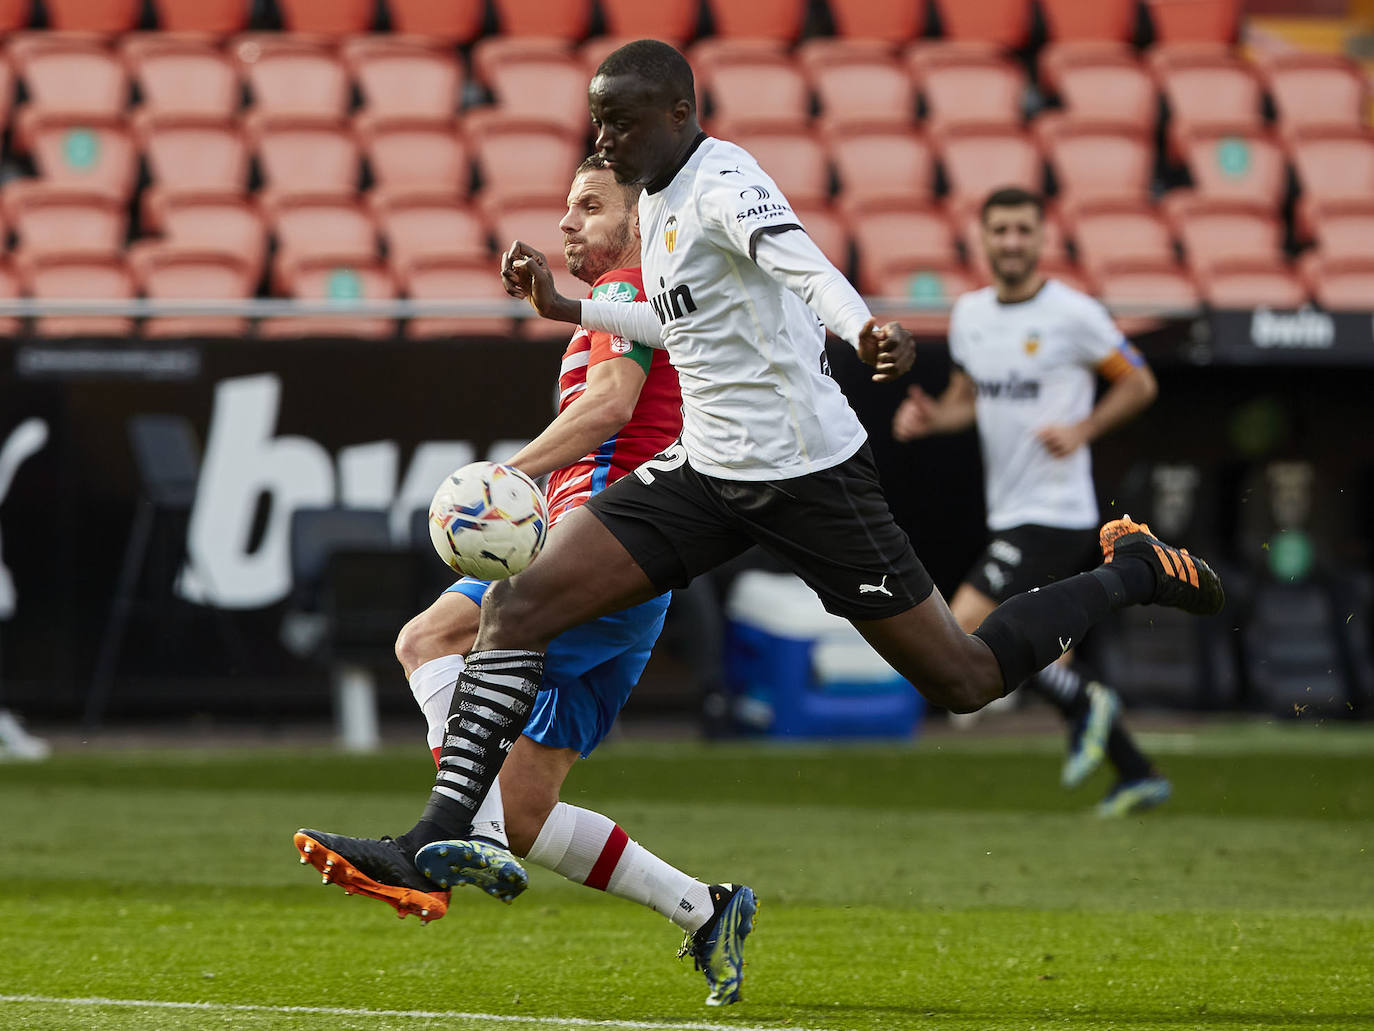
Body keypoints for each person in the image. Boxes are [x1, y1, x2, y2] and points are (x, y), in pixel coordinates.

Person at [295, 39, 1222, 1006]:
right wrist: (564, 304)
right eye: (598, 119)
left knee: (965, 677)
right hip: (706, 472)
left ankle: (1136, 572)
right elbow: (683, 325)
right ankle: (436, 839)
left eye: (622, 121)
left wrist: (861, 326)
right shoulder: (651, 202)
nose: (604, 138)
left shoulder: (728, 181)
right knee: (514, 610)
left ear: (681, 115)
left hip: (809, 478)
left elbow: (801, 264)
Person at [296, 155, 755, 1007]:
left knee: (425, 637)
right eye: (565, 208)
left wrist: (506, 475)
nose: (568, 224)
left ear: (638, 219)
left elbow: (611, 407)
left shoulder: (627, 285)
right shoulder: (619, 308)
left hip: (599, 554)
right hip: (628, 583)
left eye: (590, 205)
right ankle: (705, 907)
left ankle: (452, 833)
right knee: (530, 809)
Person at [892, 186, 1171, 817]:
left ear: (1043, 238)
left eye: (1023, 230)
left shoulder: (1074, 314)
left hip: (1056, 511)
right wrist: (933, 419)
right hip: (1011, 509)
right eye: (1001, 231)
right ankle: (1134, 768)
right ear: (983, 240)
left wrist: (1083, 430)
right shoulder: (970, 317)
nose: (1012, 242)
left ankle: (1083, 706)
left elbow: (1140, 382)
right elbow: (969, 397)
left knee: (965, 626)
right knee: (1043, 644)